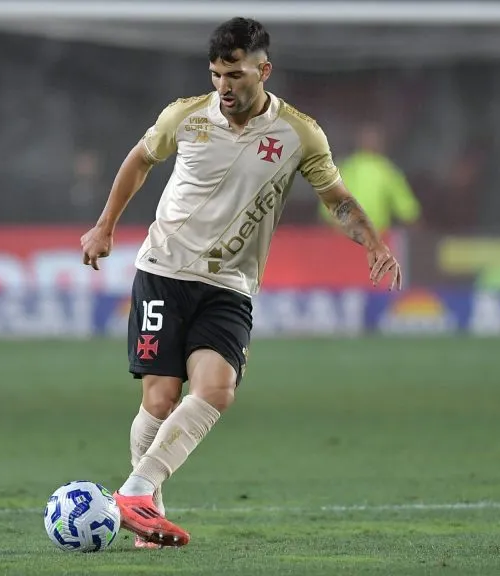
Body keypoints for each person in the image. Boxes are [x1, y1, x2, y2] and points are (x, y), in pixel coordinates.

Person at [79, 17, 402, 548]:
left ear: (264, 70)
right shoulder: (185, 116)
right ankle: (148, 513)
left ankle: (136, 491)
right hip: (163, 271)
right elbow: (140, 160)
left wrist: (373, 242)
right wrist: (105, 225)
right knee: (159, 401)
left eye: (235, 75)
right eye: (216, 75)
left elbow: (337, 199)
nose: (224, 87)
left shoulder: (299, 133)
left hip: (231, 285)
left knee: (217, 390)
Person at [318, 122, 421, 234]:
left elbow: (326, 210)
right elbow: (408, 212)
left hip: (346, 238)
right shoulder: (387, 171)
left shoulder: (345, 167)